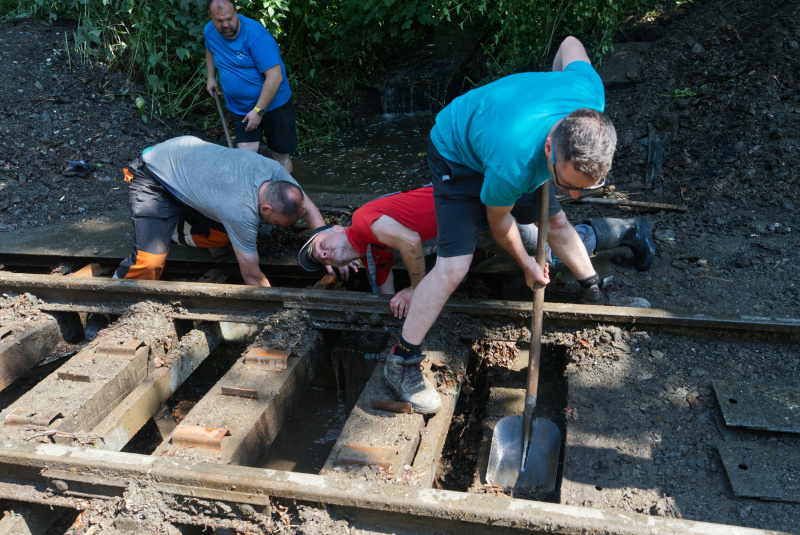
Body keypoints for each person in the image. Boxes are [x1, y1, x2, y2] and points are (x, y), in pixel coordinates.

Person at [359, 36, 623, 414]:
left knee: (559, 219)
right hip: (457, 152)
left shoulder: (587, 95)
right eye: (566, 185)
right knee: (454, 266)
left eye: (586, 188)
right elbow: (499, 225)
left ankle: (595, 289)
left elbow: (569, 43)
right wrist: (527, 264)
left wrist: (551, 84)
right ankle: (401, 361)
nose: (576, 196)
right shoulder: (511, 164)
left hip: (518, 143)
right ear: (551, 147)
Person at [298, 186, 653, 318]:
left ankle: (630, 229)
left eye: (320, 245)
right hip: (469, 222)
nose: (325, 253)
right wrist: (391, 311)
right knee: (542, 250)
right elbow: (385, 295)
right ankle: (620, 232)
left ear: (334, 226)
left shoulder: (362, 221)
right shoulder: (372, 248)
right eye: (321, 260)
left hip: (478, 205)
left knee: (550, 248)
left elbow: (409, 241)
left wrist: (417, 290)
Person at [114, 136, 326, 286]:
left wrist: (327, 248)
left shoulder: (277, 173)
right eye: (276, 222)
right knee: (149, 264)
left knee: (221, 236)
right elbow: (252, 276)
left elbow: (308, 209)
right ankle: (109, 303)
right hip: (153, 175)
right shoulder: (239, 212)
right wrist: (277, 315)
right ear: (266, 207)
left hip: (187, 166)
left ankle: (169, 228)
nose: (272, 226)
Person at [204, 0, 297, 172]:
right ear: (211, 17)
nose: (225, 24)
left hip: (274, 105)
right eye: (219, 20)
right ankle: (252, 197)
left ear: (236, 12)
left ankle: (288, 197)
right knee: (246, 156)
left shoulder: (256, 36)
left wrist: (258, 111)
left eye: (229, 18)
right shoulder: (210, 31)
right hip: (239, 107)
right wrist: (211, 77)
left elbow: (275, 77)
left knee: (279, 155)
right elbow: (210, 49)